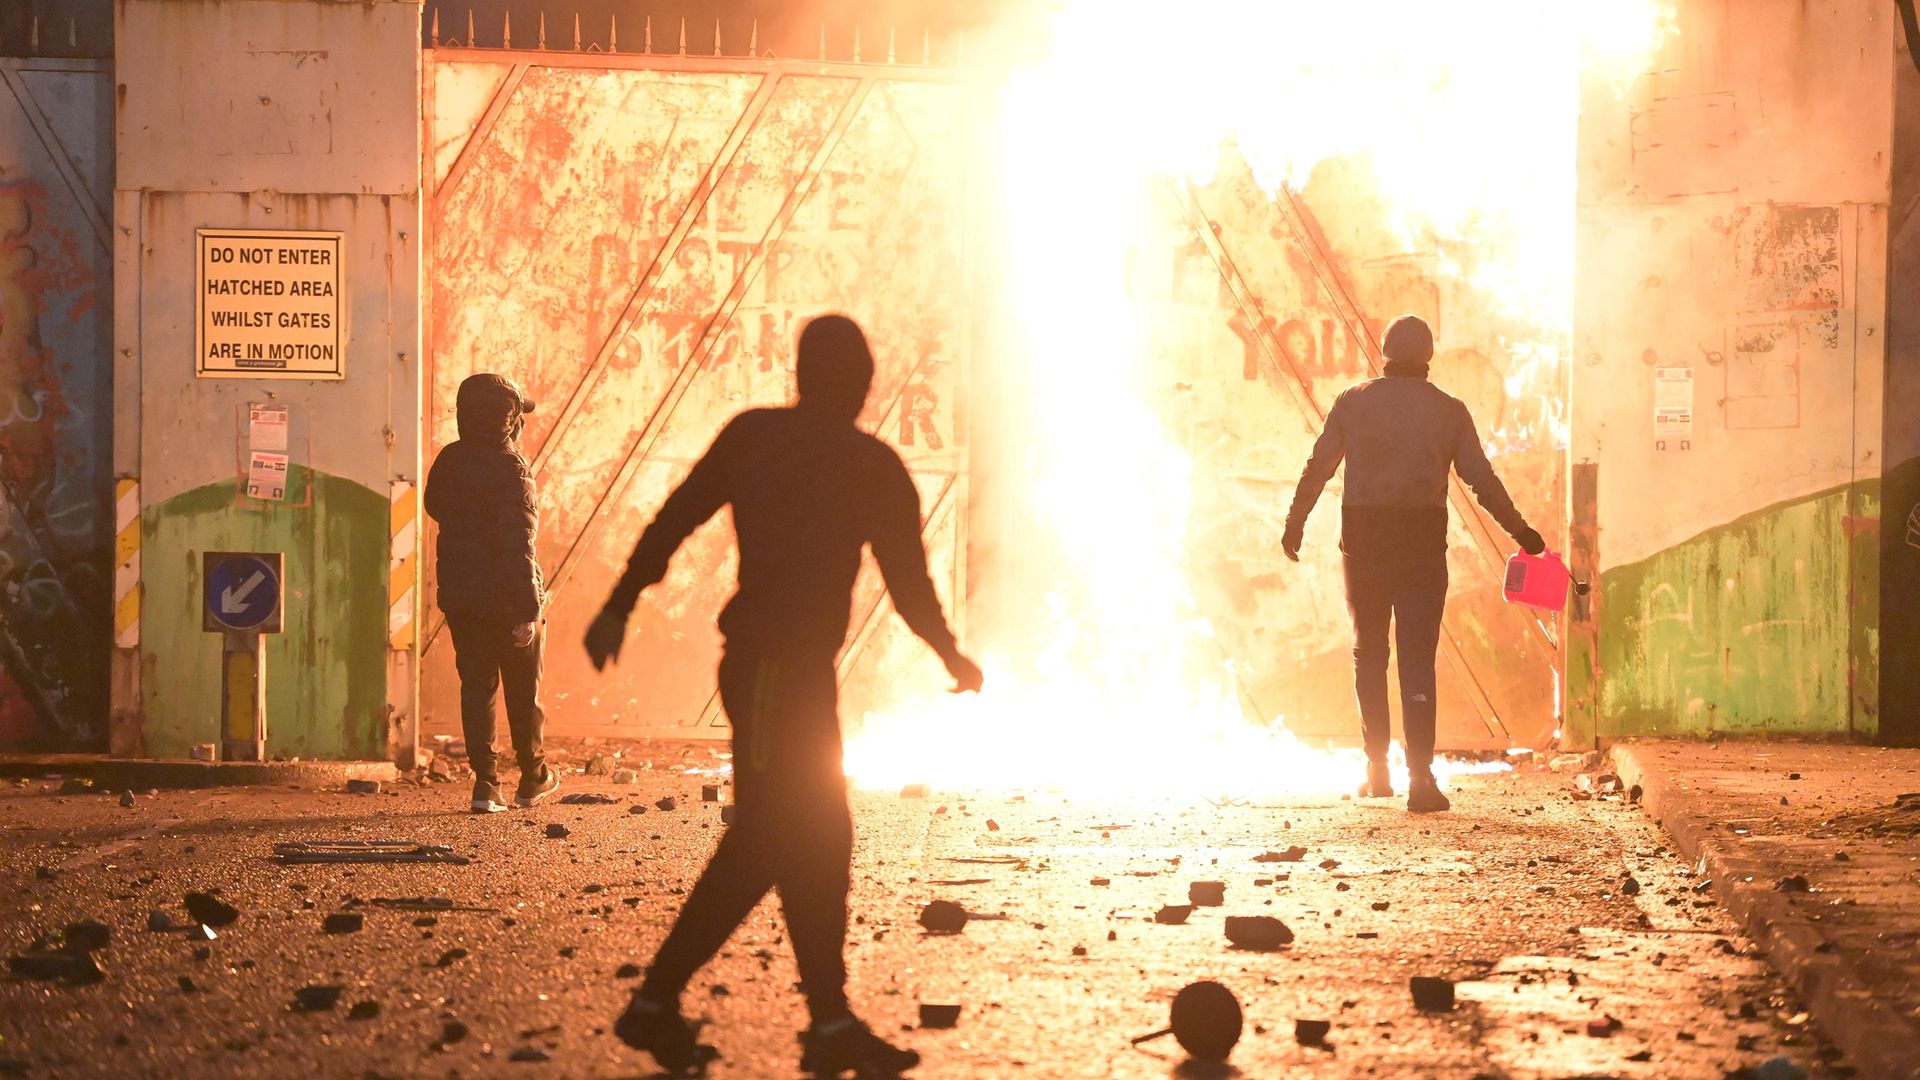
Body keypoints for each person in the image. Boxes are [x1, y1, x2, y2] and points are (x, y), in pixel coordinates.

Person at [585, 314, 983, 1076]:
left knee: (817, 836)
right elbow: (909, 584)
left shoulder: (757, 438)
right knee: (777, 832)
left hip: (789, 675)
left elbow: (675, 518)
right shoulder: (871, 466)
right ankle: (659, 1001)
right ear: (861, 384)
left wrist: (620, 601)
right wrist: (950, 654)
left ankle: (826, 1022)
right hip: (773, 670)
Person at [1282, 315, 1544, 813]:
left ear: (1384, 350)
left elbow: (1319, 465)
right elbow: (1481, 480)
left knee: (1369, 654)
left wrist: (1296, 521)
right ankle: (1421, 779)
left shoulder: (1353, 401)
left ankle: (1376, 771)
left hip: (1364, 542)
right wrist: (1522, 532)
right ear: (1427, 355)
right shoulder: (1449, 410)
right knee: (1417, 660)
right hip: (1422, 543)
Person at [424, 373, 560, 813]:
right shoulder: (512, 468)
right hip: (507, 597)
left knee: (477, 686)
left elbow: (435, 507)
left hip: (462, 597)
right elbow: (519, 542)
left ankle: (486, 785)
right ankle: (532, 777)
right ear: (510, 419)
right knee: (523, 689)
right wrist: (526, 608)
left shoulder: (449, 461)